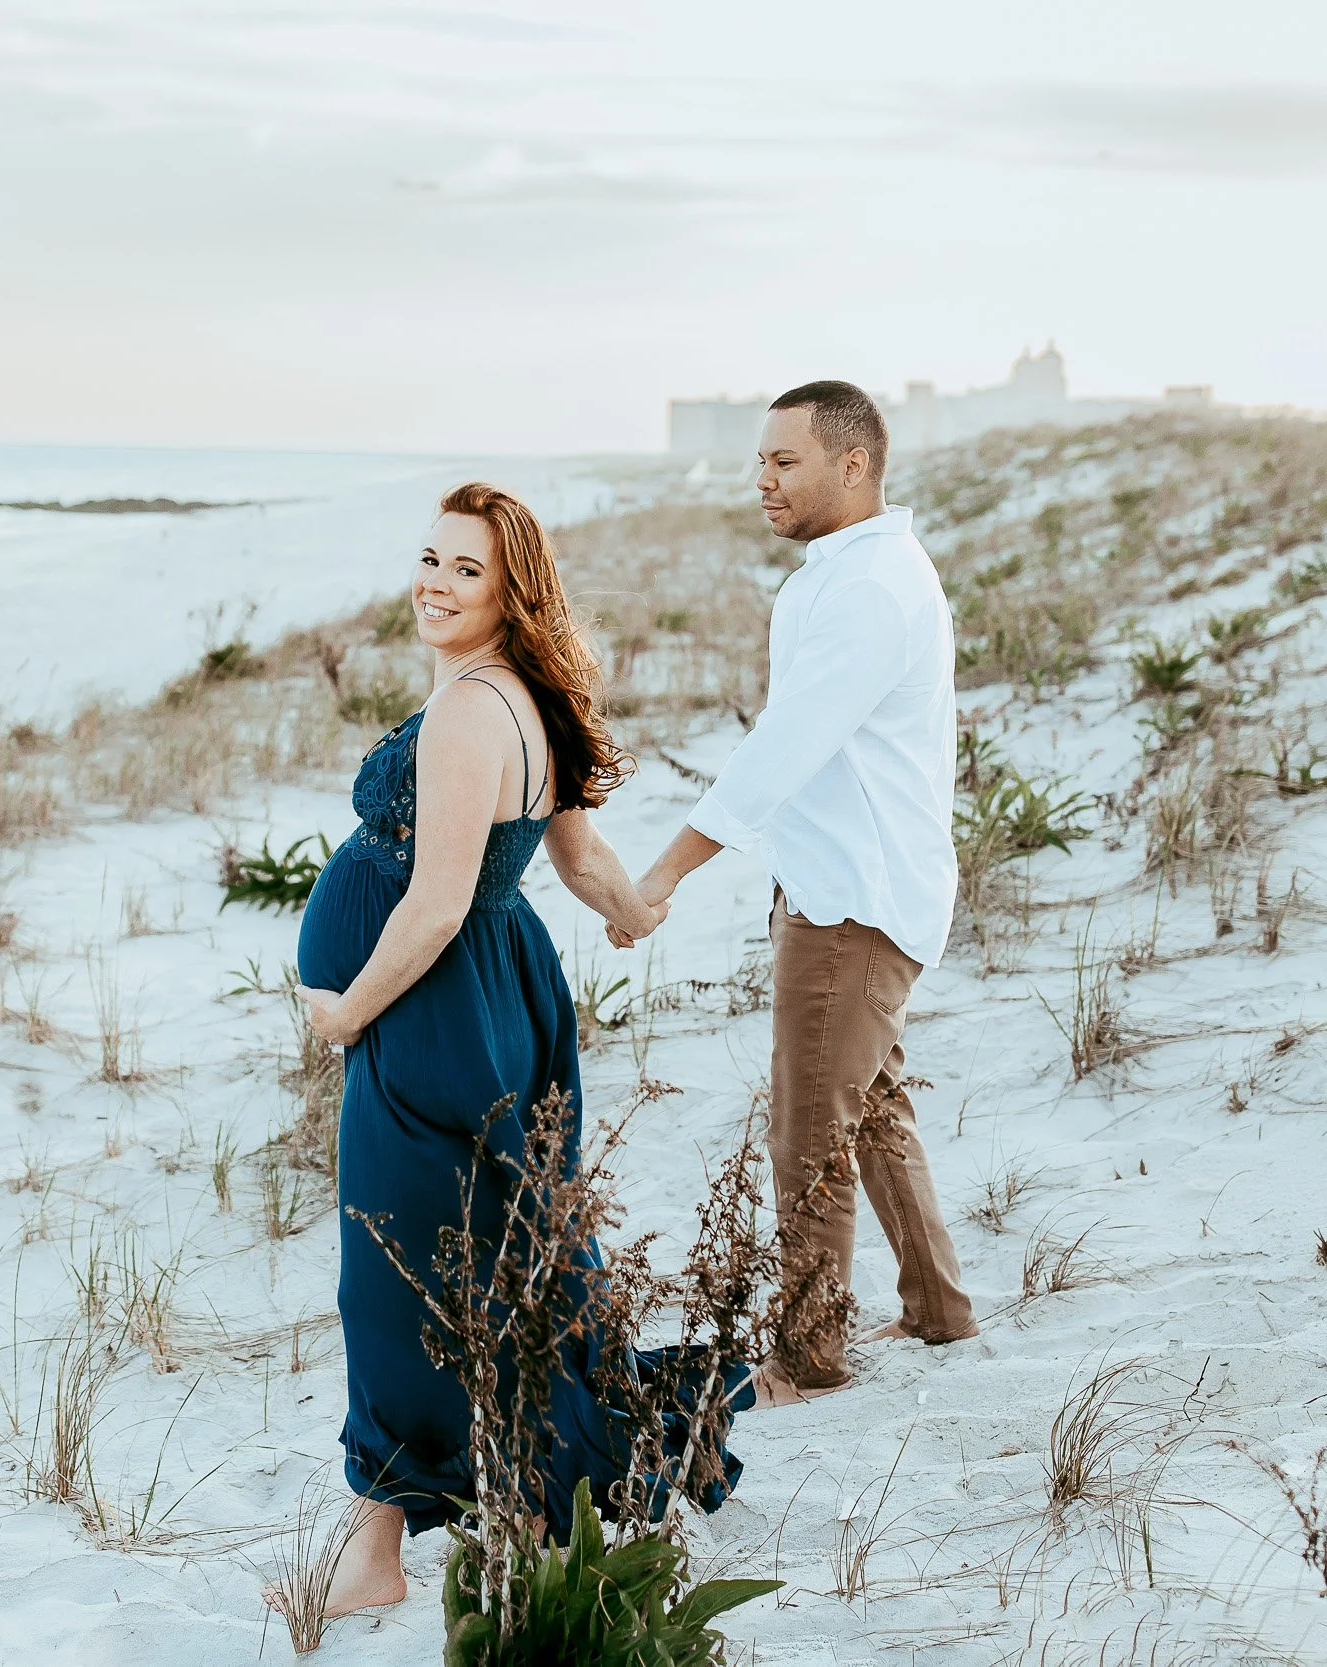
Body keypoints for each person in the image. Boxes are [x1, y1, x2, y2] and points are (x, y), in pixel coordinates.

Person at [268, 482, 752, 1627]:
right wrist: (633, 908)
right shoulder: (521, 696)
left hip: (432, 1000)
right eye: (427, 558)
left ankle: (384, 1538)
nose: (433, 583)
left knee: (395, 1272)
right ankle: (495, 1499)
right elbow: (576, 856)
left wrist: (345, 1016)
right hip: (495, 987)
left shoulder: (469, 712)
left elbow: (435, 903)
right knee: (488, 1246)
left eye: (464, 569)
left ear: (510, 589)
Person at [623, 380, 978, 1404]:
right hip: (850, 883)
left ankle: (809, 1357)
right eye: (760, 463)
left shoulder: (869, 589)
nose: (763, 481)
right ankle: (938, 1308)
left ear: (852, 465)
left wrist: (666, 869)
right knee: (867, 1107)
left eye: (785, 462)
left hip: (854, 901)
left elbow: (782, 747)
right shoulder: (848, 573)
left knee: (809, 1126)